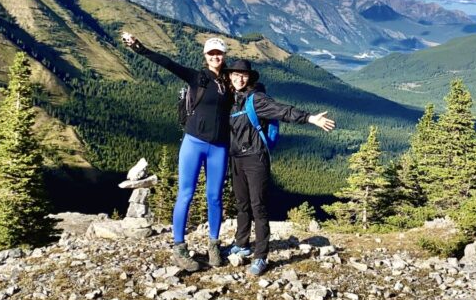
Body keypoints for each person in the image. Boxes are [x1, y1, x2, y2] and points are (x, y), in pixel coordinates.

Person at [121, 32, 232, 272]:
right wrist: (139, 48)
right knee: (186, 194)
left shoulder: (230, 81)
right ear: (206, 56)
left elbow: (251, 94)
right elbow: (167, 63)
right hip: (194, 143)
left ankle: (214, 245)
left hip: (220, 146)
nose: (215, 56)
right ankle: (179, 247)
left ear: (224, 56)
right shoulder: (197, 77)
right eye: (211, 53)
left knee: (214, 197)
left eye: (219, 53)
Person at [224, 58, 335, 276]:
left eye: (243, 75)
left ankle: (261, 256)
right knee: (242, 203)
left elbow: (283, 110)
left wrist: (310, 118)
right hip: (236, 158)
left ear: (249, 78)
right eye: (235, 74)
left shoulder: (257, 99)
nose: (239, 78)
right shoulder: (231, 98)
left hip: (256, 159)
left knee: (258, 206)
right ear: (229, 76)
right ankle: (242, 243)